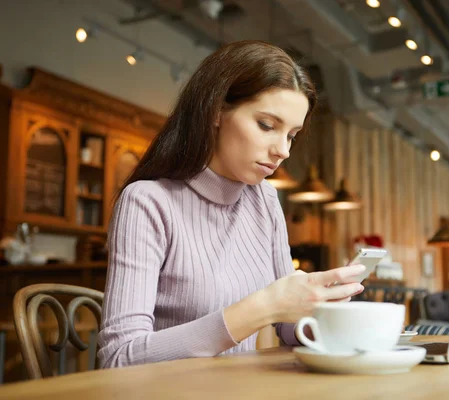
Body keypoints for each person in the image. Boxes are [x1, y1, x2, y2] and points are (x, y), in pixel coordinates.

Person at [97, 40, 366, 368]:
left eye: (292, 135)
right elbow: (119, 357)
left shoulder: (265, 200)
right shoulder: (148, 202)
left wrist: (321, 309)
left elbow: (288, 328)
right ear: (215, 111)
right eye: (267, 126)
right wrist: (264, 306)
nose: (284, 150)